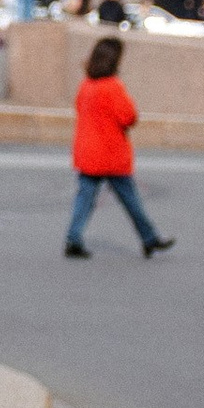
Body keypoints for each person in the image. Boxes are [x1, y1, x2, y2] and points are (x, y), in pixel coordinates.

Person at [67, 37, 174, 257]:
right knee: (131, 200)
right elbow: (129, 116)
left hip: (88, 152)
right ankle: (149, 237)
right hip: (111, 154)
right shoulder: (113, 86)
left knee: (84, 199)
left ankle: (73, 237)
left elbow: (79, 109)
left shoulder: (87, 85)